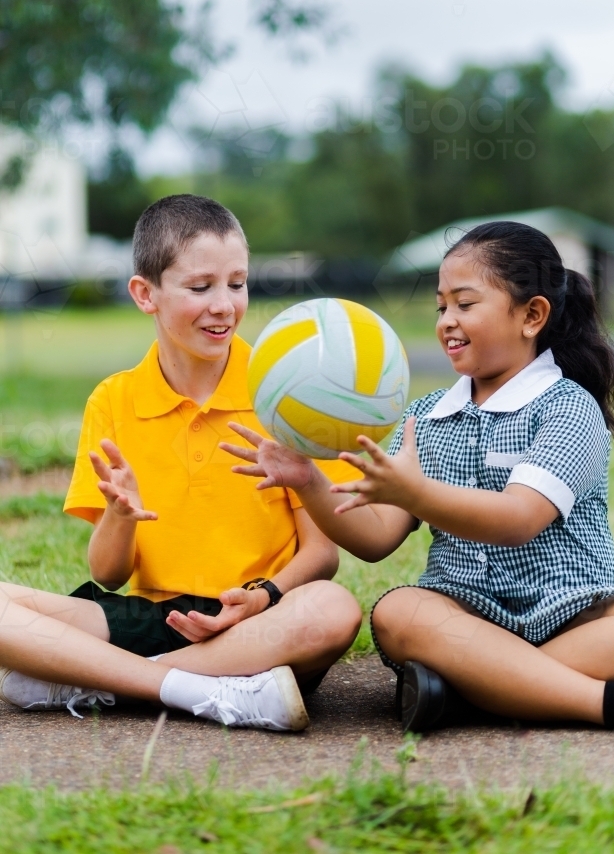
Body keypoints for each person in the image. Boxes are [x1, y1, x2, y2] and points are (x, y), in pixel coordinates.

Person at [222, 220, 614, 736]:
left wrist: (418, 491)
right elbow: (375, 538)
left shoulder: (568, 408)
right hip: (464, 615)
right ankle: (599, 701)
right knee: (398, 612)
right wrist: (308, 481)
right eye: (441, 306)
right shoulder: (426, 417)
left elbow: (518, 519)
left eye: (465, 303)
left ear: (532, 315)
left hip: (572, 612)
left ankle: (472, 686)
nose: (447, 321)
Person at [0, 195, 361, 730]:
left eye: (237, 283)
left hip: (259, 628)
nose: (224, 305)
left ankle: (104, 680)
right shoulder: (114, 400)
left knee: (334, 608)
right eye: (200, 287)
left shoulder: (285, 391)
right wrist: (120, 518)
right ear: (146, 294)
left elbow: (322, 554)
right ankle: (200, 691)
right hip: (153, 617)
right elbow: (107, 574)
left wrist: (263, 598)